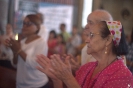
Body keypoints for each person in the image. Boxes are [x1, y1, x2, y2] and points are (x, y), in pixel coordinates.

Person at [36, 21, 133, 88]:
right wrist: (57, 79)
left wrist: (69, 79)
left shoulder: (123, 75)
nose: (86, 40)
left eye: (91, 35)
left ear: (108, 40)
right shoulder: (87, 68)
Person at [5, 14, 49, 88]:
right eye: (24, 23)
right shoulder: (22, 42)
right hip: (21, 84)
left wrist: (18, 50)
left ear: (37, 27)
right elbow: (15, 65)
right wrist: (14, 50)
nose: (24, 26)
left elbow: (35, 64)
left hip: (37, 84)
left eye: (28, 24)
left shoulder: (41, 42)